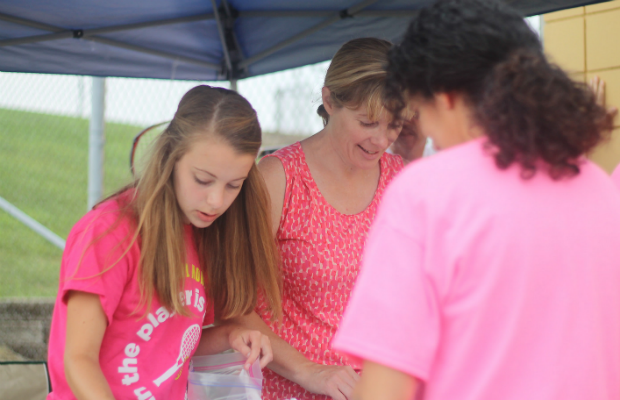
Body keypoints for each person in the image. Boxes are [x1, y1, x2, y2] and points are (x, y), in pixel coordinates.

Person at [333, 1, 620, 400]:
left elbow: (385, 390)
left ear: (446, 96)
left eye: (422, 110)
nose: (428, 133)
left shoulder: (425, 194)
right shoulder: (599, 188)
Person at [46, 85, 282, 400]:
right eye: (202, 180)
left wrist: (231, 334)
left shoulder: (205, 235)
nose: (216, 201)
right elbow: (78, 359)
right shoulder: (108, 233)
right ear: (171, 157)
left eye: (233, 185)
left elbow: (170, 342)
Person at [231, 38, 406, 400]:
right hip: (292, 389)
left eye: (393, 126)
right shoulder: (278, 180)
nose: (381, 140)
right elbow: (234, 305)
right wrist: (309, 371)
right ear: (329, 101)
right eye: (368, 122)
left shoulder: (400, 180)